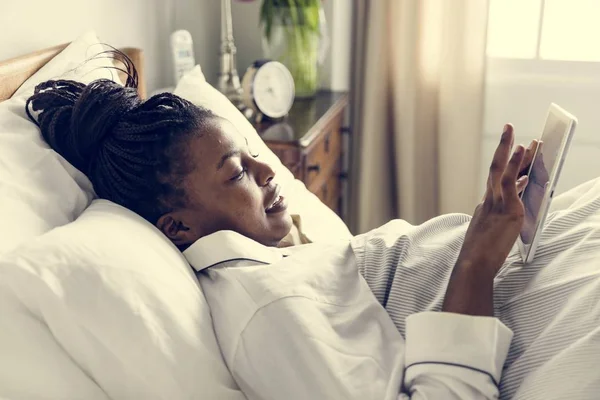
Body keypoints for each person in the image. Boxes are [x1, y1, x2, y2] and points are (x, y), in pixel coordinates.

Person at [26, 56, 600, 399]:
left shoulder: (275, 256)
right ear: (177, 226)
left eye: (251, 154)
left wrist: (488, 223)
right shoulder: (266, 309)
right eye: (236, 174)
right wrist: (476, 257)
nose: (266, 171)